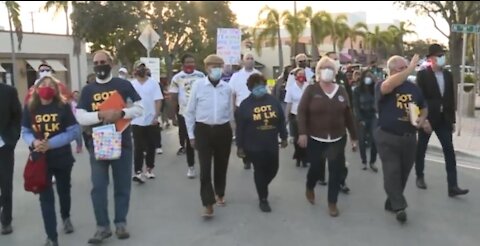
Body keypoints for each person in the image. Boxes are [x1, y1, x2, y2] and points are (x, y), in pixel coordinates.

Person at [76, 50, 143, 244]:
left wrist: (121, 113)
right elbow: (79, 116)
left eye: (103, 61)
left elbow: (139, 109)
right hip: (98, 142)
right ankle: (102, 227)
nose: (99, 65)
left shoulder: (124, 85)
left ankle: (120, 223)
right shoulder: (88, 90)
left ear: (110, 63)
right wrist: (100, 115)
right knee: (98, 187)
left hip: (122, 140)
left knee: (122, 185)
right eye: (96, 62)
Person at [21, 75, 81, 246]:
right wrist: (33, 142)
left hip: (62, 158)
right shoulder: (30, 108)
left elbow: (74, 131)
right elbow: (24, 131)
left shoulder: (63, 106)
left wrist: (51, 144)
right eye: (43, 84)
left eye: (50, 85)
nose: (47, 87)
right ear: (37, 88)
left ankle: (66, 216)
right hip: (41, 160)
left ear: (56, 90)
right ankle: (51, 236)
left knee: (64, 191)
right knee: (45, 198)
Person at [297, 56, 358, 217]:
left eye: (330, 68)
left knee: (335, 171)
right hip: (315, 138)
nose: (327, 71)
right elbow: (301, 112)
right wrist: (302, 133)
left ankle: (332, 203)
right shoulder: (311, 90)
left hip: (337, 139)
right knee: (316, 169)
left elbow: (348, 115)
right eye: (324, 68)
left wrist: (353, 136)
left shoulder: (341, 90)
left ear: (335, 72)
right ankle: (310, 186)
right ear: (318, 71)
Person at [374, 54, 429, 223]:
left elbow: (423, 106)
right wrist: (412, 68)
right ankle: (400, 207)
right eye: (402, 69)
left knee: (404, 172)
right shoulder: (383, 85)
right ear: (391, 71)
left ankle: (392, 201)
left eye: (407, 69)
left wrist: (423, 118)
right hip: (388, 136)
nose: (406, 72)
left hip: (410, 137)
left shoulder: (413, 88)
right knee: (392, 171)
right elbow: (389, 85)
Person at [414, 44, 469, 196]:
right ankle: (419, 176)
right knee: (421, 149)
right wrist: (423, 119)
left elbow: (450, 98)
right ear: (431, 58)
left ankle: (453, 186)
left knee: (449, 151)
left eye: (442, 55)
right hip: (428, 119)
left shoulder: (448, 75)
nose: (441, 58)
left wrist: (452, 121)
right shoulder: (423, 75)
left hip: (444, 119)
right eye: (438, 55)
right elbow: (419, 98)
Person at [185, 54, 233, 218]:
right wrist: (191, 135)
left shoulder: (227, 88)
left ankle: (220, 193)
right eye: (213, 66)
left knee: (221, 165)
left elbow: (230, 113)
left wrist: (232, 132)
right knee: (205, 169)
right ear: (206, 68)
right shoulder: (198, 86)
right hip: (203, 130)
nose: (216, 70)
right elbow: (189, 112)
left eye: (219, 66)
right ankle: (207, 203)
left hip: (223, 130)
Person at [236, 73, 288, 212]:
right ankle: (263, 198)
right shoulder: (245, 105)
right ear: (251, 88)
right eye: (256, 86)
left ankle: (262, 186)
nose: (259, 88)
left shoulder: (273, 101)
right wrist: (240, 147)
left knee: (273, 169)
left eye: (261, 85)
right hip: (253, 145)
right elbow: (240, 127)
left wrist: (284, 137)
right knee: (259, 170)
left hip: (271, 143)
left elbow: (281, 120)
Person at [169, 54, 205, 178]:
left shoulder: (201, 76)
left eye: (192, 62)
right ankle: (191, 166)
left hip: (200, 114)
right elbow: (173, 98)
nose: (190, 64)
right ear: (182, 64)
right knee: (189, 141)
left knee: (202, 141)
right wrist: (173, 116)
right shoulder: (177, 78)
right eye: (188, 62)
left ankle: (204, 164)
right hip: (184, 114)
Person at [130, 61, 163, 183]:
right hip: (136, 119)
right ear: (134, 70)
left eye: (143, 68)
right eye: (139, 68)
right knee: (138, 147)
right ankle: (138, 171)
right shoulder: (131, 84)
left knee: (150, 146)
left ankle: (149, 169)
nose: (141, 70)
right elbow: (127, 101)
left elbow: (158, 100)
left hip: (150, 119)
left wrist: (156, 116)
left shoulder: (153, 83)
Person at [325, 51, 352, 193]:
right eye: (333, 59)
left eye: (337, 59)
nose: (336, 61)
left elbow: (349, 99)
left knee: (339, 156)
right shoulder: (318, 79)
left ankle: (340, 181)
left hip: (339, 125)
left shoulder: (342, 77)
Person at [230, 53, 261, 170]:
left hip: (256, 108)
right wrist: (233, 109)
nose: (250, 60)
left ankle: (255, 156)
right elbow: (232, 94)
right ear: (243, 62)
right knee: (242, 133)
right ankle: (246, 158)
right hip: (241, 109)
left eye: (252, 58)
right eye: (247, 59)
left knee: (256, 134)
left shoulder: (258, 74)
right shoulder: (236, 76)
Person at [0, 83, 22, 235]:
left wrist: (12, 138)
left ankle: (6, 221)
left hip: (4, 146)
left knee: (6, 184)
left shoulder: (8, 92)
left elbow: (17, 116)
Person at [353, 70, 378, 171]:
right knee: (362, 140)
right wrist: (359, 119)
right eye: (367, 76)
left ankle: (372, 161)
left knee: (374, 140)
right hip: (362, 116)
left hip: (373, 116)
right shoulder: (357, 90)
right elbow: (356, 106)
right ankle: (364, 161)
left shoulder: (375, 89)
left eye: (370, 76)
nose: (368, 78)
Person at [284, 68, 308, 167]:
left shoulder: (308, 87)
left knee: (306, 136)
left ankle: (305, 157)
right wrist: (286, 117)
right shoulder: (291, 88)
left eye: (303, 74)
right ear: (296, 76)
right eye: (299, 74)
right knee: (297, 138)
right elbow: (288, 104)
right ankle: (298, 156)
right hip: (295, 115)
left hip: (307, 115)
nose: (301, 76)